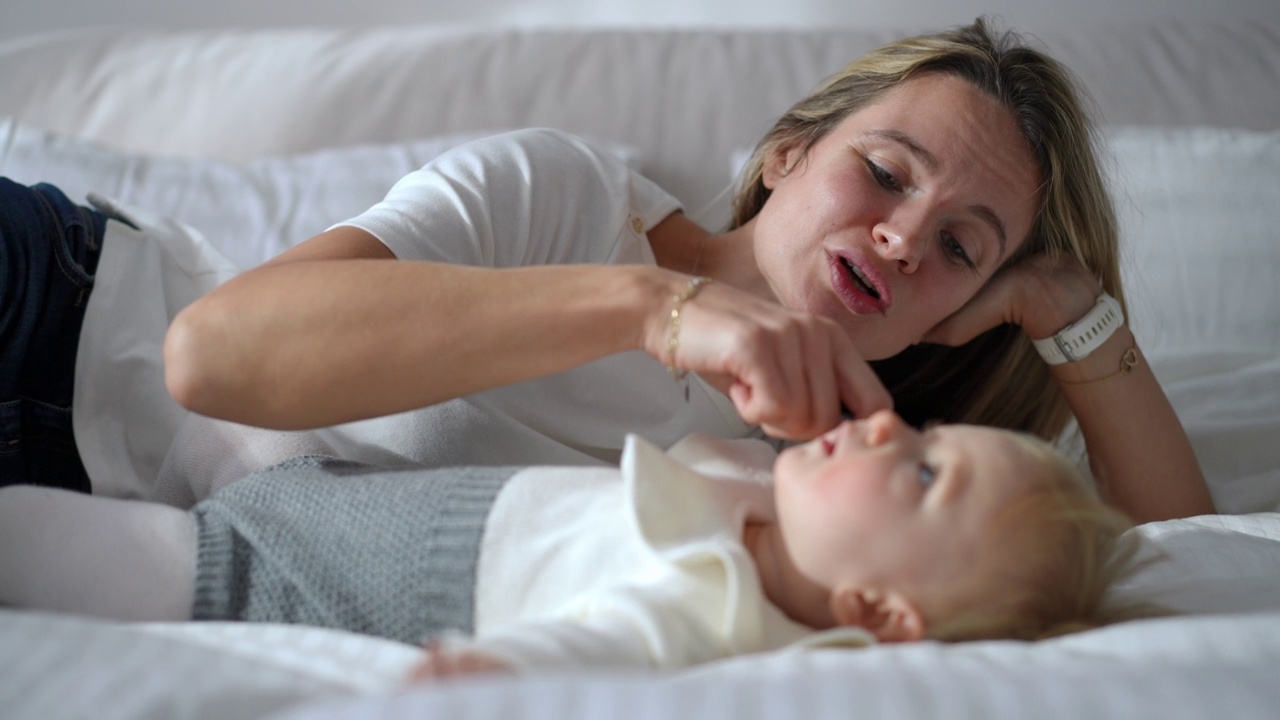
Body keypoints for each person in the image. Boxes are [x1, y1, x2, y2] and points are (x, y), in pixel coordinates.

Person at [0, 19, 1213, 523]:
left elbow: (1179, 551)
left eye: (961, 246)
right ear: (786, 156)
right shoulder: (567, 194)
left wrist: (1062, 307)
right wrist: (657, 309)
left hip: (68, 502)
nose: (902, 238)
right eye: (885, 174)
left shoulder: (847, 468)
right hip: (54, 305)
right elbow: (210, 354)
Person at [0, 410, 1142, 677]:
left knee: (25, 535)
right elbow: (694, 444)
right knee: (210, 384)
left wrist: (492, 674)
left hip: (248, 576)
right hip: (316, 487)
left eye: (925, 471)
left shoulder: (713, 610)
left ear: (880, 611)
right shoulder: (756, 500)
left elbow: (600, 650)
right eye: (928, 429)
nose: (889, 422)